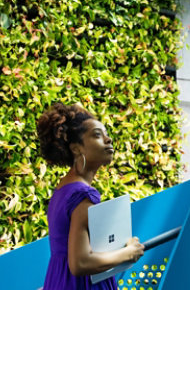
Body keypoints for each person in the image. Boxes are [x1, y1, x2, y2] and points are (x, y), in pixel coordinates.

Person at [36, 102, 144, 289]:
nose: (108, 140)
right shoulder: (82, 194)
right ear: (76, 148)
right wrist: (129, 253)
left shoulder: (63, 190)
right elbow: (80, 263)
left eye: (106, 134)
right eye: (97, 135)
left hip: (58, 280)